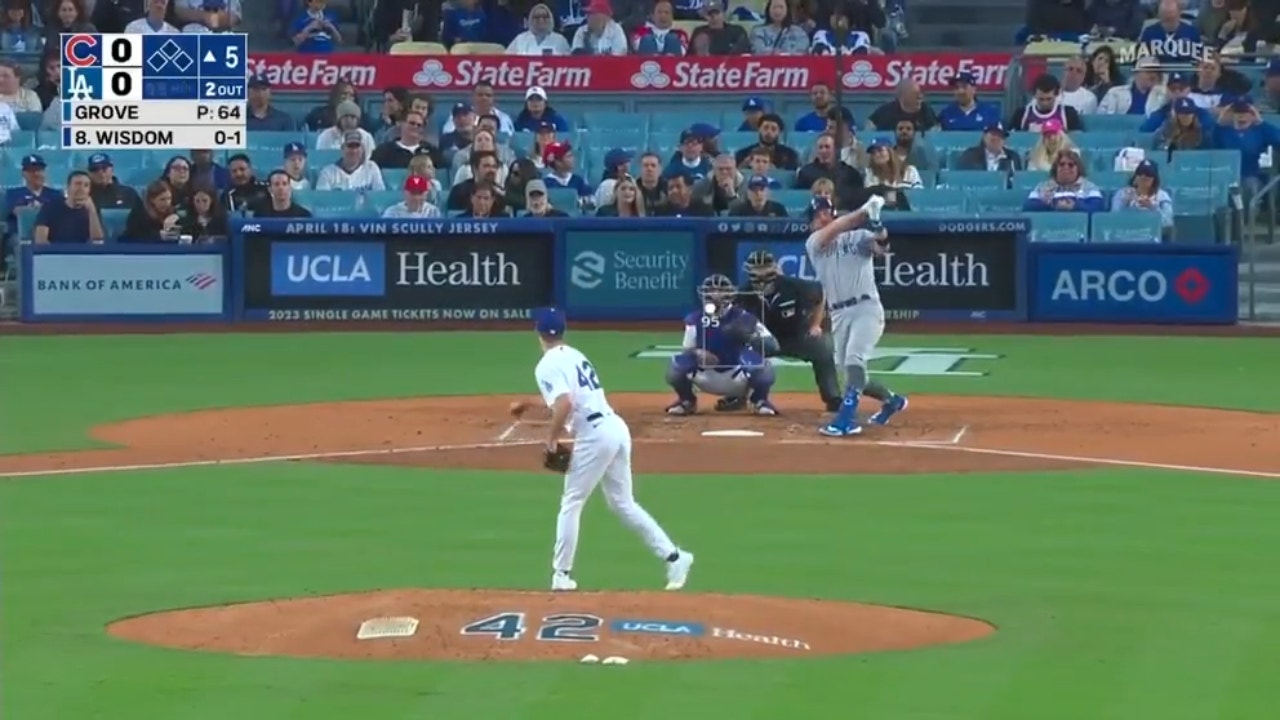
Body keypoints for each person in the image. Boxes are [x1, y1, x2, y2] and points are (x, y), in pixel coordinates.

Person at [506, 307, 693, 592]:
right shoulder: (575, 355)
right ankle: (675, 557)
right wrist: (531, 403)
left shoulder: (545, 365)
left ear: (537, 332)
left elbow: (565, 403)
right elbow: (570, 396)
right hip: (615, 428)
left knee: (572, 502)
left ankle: (561, 575)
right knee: (623, 503)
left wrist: (552, 439)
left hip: (595, 436)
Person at [803, 195, 907, 436]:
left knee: (854, 360)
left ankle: (845, 419)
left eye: (825, 213)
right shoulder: (814, 243)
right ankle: (892, 401)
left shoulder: (857, 237)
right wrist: (865, 210)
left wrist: (878, 227)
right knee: (852, 372)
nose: (821, 218)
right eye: (816, 216)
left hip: (866, 308)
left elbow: (882, 247)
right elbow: (836, 229)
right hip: (839, 314)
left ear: (833, 213)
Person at [728, 250, 842, 412]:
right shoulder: (744, 294)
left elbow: (820, 294)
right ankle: (737, 395)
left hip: (795, 337)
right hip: (763, 341)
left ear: (773, 269)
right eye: (756, 269)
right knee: (735, 345)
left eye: (764, 268)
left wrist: (815, 325)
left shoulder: (793, 286)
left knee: (823, 345)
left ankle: (833, 398)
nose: (760, 273)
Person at [664, 273, 781, 416]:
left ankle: (759, 400)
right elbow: (687, 350)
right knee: (676, 366)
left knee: (763, 368)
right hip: (705, 376)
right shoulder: (695, 319)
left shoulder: (744, 317)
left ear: (729, 294)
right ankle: (687, 401)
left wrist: (751, 338)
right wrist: (699, 353)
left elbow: (772, 345)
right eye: (711, 290)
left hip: (737, 376)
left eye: (720, 291)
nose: (716, 295)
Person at [1022, 148, 1105, 213]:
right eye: (1062, 164)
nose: (1066, 167)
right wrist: (1046, 204)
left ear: (1078, 169)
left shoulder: (1089, 186)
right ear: (1056, 168)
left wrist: (1075, 206)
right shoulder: (1043, 187)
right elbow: (1027, 207)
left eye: (1071, 165)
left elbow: (1098, 208)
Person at [33, 171, 104, 244]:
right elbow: (40, 240)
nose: (81, 189)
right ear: (68, 187)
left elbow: (97, 241)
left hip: (83, 254)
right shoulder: (50, 207)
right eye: (78, 184)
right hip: (56, 253)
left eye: (86, 185)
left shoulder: (93, 210)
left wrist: (91, 211)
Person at [1111, 159, 1173, 238]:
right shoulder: (1122, 194)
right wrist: (1125, 205)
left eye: (1148, 174)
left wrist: (1152, 208)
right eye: (1140, 173)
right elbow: (1113, 220)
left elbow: (1168, 223)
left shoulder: (1162, 196)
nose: (1143, 177)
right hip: (1125, 236)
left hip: (1150, 237)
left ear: (1154, 178)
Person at [5, 154, 61, 239]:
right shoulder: (13, 194)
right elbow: (17, 212)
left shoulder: (56, 194)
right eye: (31, 171)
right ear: (23, 173)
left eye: (39, 170)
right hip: (21, 237)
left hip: (50, 235)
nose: (36, 174)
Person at [1009, 73, 1084, 131]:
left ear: (1057, 94)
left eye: (1049, 99)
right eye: (1041, 99)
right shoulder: (1021, 114)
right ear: (1034, 95)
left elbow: (1077, 139)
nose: (1045, 103)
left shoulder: (1068, 114)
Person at [371, 109, 444, 169]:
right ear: (402, 124)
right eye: (412, 123)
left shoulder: (432, 151)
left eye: (419, 125)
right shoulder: (384, 151)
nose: (415, 127)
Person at [316, 131, 386, 191]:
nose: (354, 151)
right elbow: (322, 203)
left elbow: (380, 197)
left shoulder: (372, 168)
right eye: (350, 146)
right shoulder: (327, 173)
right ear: (342, 149)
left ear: (362, 149)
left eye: (357, 146)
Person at [1098, 58, 1167, 116]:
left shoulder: (1165, 96)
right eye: (1149, 71)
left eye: (1157, 72)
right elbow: (1100, 119)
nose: (1153, 75)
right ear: (1136, 74)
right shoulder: (1115, 93)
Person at [937, 72, 1001, 131]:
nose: (960, 91)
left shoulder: (989, 112)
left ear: (974, 89)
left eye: (964, 87)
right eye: (956, 88)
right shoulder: (946, 114)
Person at [956, 123, 1023, 173]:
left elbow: (1017, 182)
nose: (996, 138)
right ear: (984, 136)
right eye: (993, 134)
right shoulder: (970, 155)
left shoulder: (1012, 157)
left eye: (1000, 136)